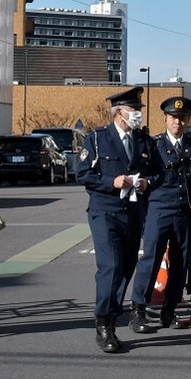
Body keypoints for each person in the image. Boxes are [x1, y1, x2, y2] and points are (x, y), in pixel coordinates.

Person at [76, 87, 155, 353]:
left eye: (139, 110)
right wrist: (111, 181)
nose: (138, 115)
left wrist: (147, 182)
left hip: (133, 212)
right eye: (134, 110)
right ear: (119, 112)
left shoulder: (144, 141)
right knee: (110, 266)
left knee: (126, 267)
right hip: (105, 211)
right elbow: (83, 174)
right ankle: (104, 326)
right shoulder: (97, 139)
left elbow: (159, 174)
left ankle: (111, 315)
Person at [130, 96, 191, 332]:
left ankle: (169, 311)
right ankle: (138, 311)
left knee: (180, 263)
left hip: (185, 213)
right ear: (165, 118)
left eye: (183, 118)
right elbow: (142, 181)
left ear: (188, 120)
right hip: (158, 210)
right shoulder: (154, 146)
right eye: (174, 118)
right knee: (150, 261)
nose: (178, 122)